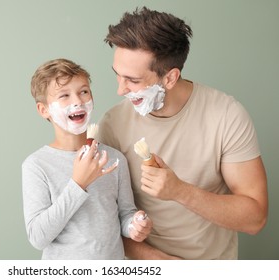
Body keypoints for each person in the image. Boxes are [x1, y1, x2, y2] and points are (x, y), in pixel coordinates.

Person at [97, 7, 268, 260]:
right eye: (118, 76)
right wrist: (163, 264)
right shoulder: (112, 125)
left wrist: (180, 191)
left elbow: (255, 218)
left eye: (132, 80)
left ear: (170, 78)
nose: (121, 90)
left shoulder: (226, 115)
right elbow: (102, 223)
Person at [22, 58, 152, 259]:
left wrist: (136, 223)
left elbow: (125, 215)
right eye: (64, 95)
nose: (77, 101)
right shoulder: (37, 165)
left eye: (83, 91)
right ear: (43, 109)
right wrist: (78, 183)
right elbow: (38, 237)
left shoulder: (114, 158)